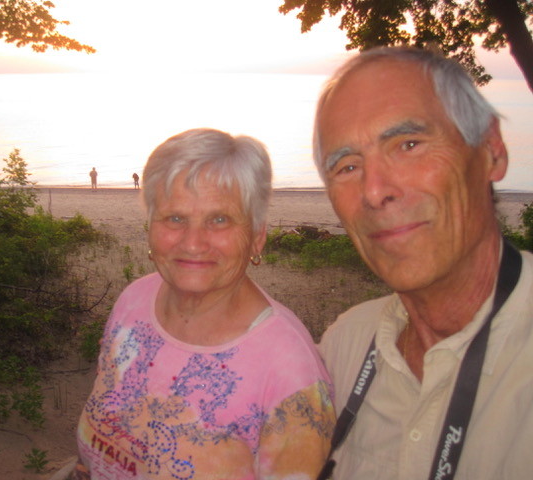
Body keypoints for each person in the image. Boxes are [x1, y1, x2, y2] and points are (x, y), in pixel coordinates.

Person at [312, 46, 533, 480]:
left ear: (492, 150)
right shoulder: (343, 348)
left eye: (408, 145)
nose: (374, 191)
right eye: (347, 166)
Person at [75, 128, 335, 479]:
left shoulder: (290, 372)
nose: (193, 243)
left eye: (219, 219)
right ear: (150, 226)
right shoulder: (133, 302)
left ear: (257, 236)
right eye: (175, 218)